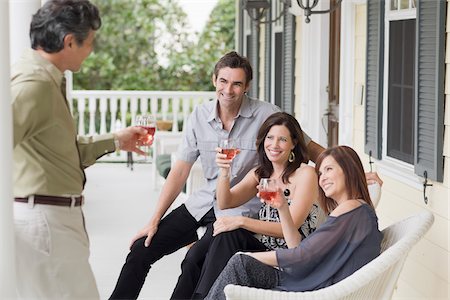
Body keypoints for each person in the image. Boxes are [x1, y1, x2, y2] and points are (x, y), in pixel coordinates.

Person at [109, 51, 328, 299]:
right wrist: (154, 220)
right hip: (203, 202)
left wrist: (348, 170)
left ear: (247, 87)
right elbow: (180, 171)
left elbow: (309, 148)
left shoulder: (267, 115)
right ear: (214, 80)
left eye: (236, 83)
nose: (228, 90)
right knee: (141, 249)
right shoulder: (199, 116)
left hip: (241, 208)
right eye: (223, 81)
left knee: (194, 260)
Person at [11, 1, 149, 299]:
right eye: (90, 42)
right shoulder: (34, 85)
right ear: (69, 41)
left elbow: (61, 151)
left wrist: (116, 140)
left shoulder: (47, 80)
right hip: (46, 223)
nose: (91, 50)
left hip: (54, 218)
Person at [171, 112, 319, 299]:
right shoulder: (261, 174)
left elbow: (291, 227)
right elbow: (225, 202)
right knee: (215, 243)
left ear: (294, 143)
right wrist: (224, 172)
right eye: (270, 138)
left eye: (282, 139)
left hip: (290, 256)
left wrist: (241, 221)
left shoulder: (305, 174)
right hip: (265, 248)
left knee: (228, 234)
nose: (274, 145)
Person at [206, 145, 383, 300]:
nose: (322, 178)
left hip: (315, 289)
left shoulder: (350, 209)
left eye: (329, 169)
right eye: (320, 173)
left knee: (241, 264)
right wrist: (282, 207)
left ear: (349, 170)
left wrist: (246, 256)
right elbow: (297, 248)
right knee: (241, 267)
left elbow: (300, 256)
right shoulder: (358, 211)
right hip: (314, 283)